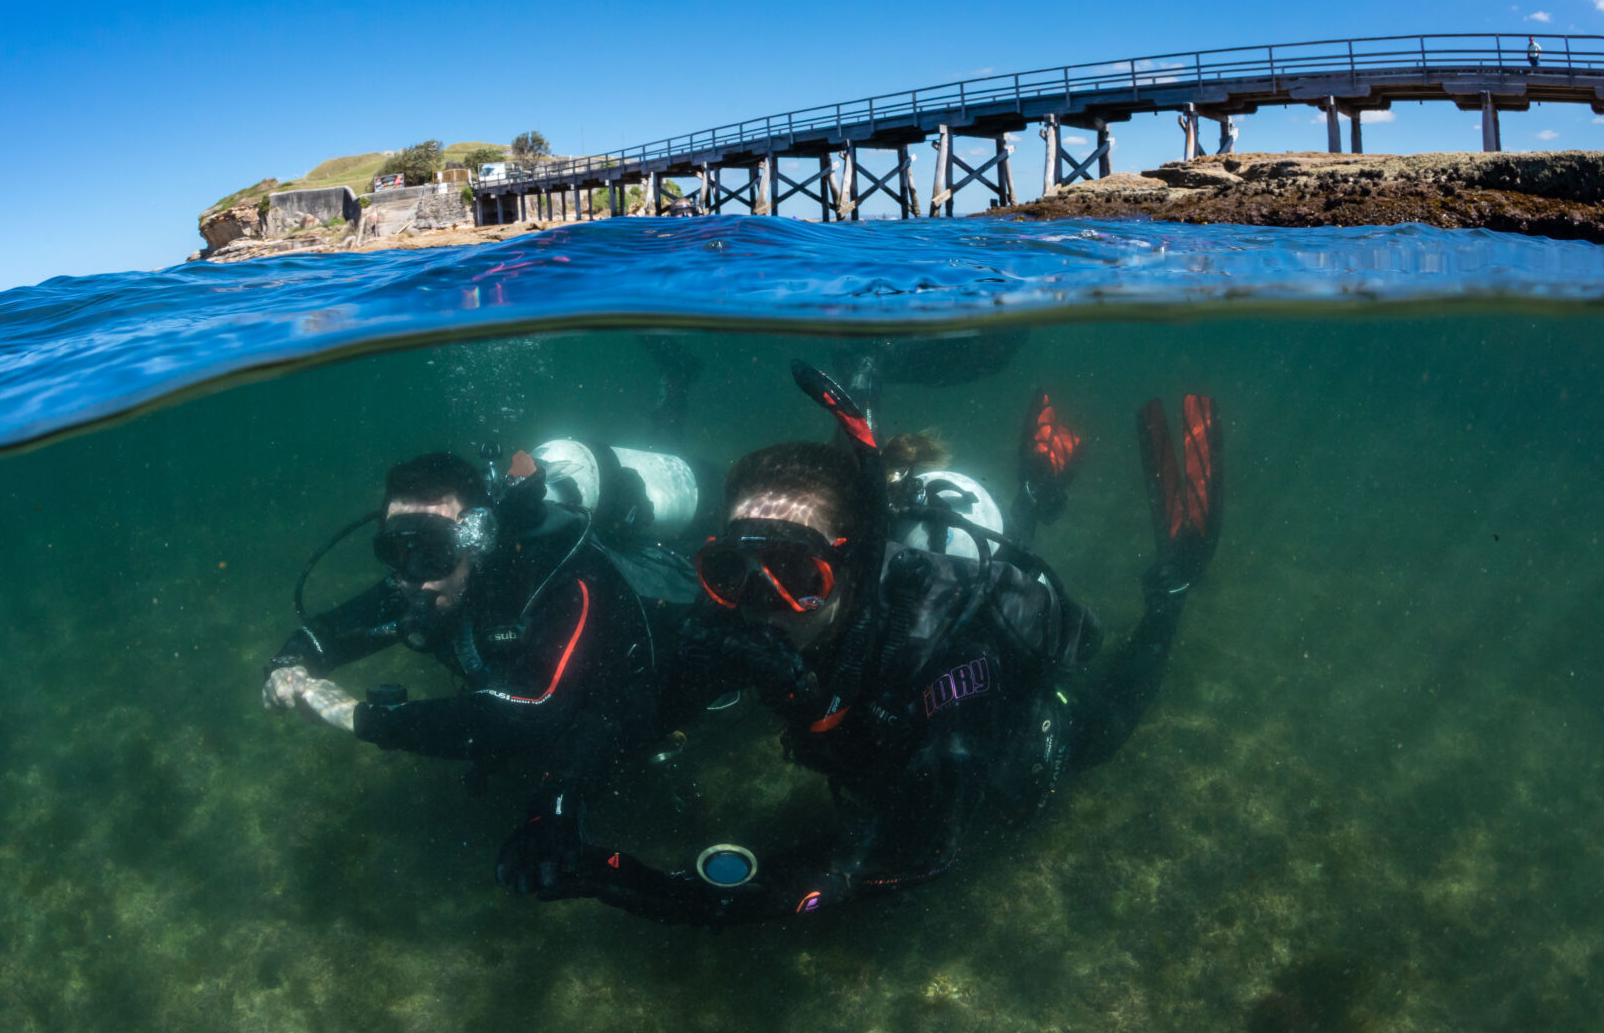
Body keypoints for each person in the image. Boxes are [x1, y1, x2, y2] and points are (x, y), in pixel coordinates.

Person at [504, 364, 1224, 925]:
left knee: (1097, 733)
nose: (758, 605)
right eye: (731, 571)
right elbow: (635, 707)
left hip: (1011, 728)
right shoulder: (747, 612)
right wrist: (555, 800)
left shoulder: (947, 659)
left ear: (853, 567)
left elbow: (899, 853)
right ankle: (1031, 501)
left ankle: (1171, 588)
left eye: (794, 573)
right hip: (870, 682)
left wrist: (626, 880)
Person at [261, 444, 704, 887]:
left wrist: (364, 718)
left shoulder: (568, 580)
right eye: (398, 552)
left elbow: (533, 712)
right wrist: (289, 665)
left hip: (632, 691)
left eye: (433, 554)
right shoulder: (417, 580)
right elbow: (330, 633)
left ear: (478, 539)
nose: (416, 578)